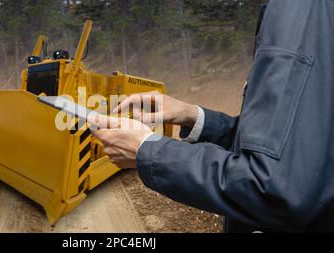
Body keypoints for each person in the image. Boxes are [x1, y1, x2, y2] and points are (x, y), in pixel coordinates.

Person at [89, 0, 334, 232]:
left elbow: (274, 187)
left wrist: (147, 150)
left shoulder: (300, 10)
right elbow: (296, 142)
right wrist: (194, 116)